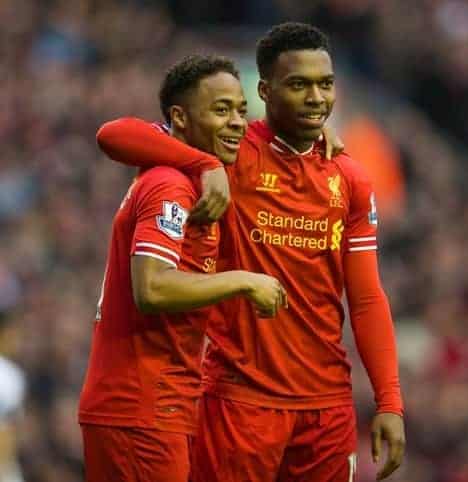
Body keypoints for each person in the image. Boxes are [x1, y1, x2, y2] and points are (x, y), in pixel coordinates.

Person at [97, 22, 406, 481]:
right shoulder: (232, 151)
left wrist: (390, 401)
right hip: (238, 400)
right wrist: (201, 163)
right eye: (299, 85)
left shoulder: (351, 179)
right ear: (264, 89)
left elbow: (365, 298)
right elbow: (114, 134)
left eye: (325, 85)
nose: (316, 98)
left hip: (327, 408)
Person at [78, 55, 287, 482]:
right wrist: (244, 283)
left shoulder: (187, 169)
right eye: (221, 110)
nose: (236, 123)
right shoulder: (171, 184)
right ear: (180, 118)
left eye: (241, 110)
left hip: (157, 404)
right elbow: (151, 289)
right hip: (142, 406)